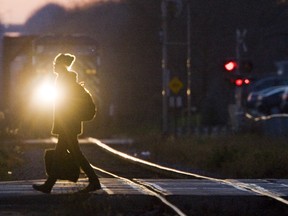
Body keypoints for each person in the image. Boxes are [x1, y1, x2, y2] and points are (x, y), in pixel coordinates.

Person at [32, 53, 101, 193]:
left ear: (61, 65)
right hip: (67, 124)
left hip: (68, 125)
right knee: (61, 154)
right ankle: (49, 185)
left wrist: (63, 123)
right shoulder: (64, 79)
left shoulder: (66, 81)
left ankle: (94, 181)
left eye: (55, 64)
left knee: (75, 153)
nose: (53, 66)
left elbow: (67, 105)